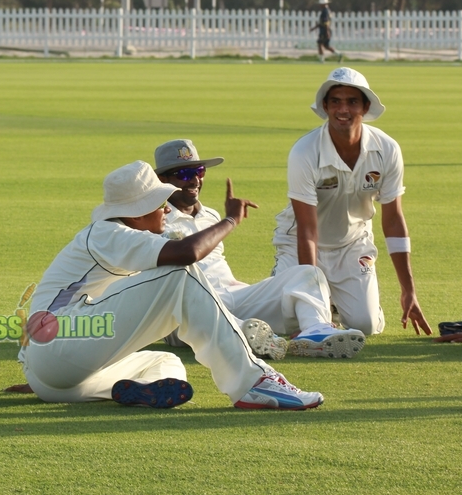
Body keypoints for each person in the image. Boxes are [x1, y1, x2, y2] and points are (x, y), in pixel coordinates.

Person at [18, 160, 324, 411]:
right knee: (179, 274)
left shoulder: (120, 235)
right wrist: (230, 220)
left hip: (58, 378)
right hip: (59, 351)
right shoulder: (106, 232)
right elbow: (187, 254)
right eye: (159, 202)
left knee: (165, 360)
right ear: (136, 214)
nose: (166, 208)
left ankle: (142, 391)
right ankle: (254, 383)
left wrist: (42, 370)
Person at [154, 138, 366, 359]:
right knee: (207, 309)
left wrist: (225, 221)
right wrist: (230, 221)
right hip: (184, 310)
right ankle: (244, 334)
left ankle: (314, 332)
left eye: (199, 171)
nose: (196, 180)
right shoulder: (153, 218)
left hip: (232, 296)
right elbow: (184, 257)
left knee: (308, 273)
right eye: (185, 175)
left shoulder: (210, 215)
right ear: (162, 180)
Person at [272, 67, 432, 338]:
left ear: (365, 107)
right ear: (325, 106)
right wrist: (313, 298)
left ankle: (335, 301)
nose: (343, 109)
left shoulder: (387, 149)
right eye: (335, 101)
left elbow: (393, 220)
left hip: (353, 243)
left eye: (352, 101)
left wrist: (409, 290)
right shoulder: (304, 151)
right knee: (289, 323)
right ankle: (312, 296)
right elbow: (308, 230)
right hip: (299, 241)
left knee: (366, 326)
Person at [309, 0, 341, 64]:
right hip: (325, 29)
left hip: (324, 30)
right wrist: (314, 28)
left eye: (321, 4)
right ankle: (338, 54)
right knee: (326, 46)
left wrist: (327, 31)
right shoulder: (327, 10)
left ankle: (321, 60)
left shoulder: (325, 11)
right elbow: (321, 22)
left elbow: (326, 23)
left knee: (320, 43)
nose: (320, 5)